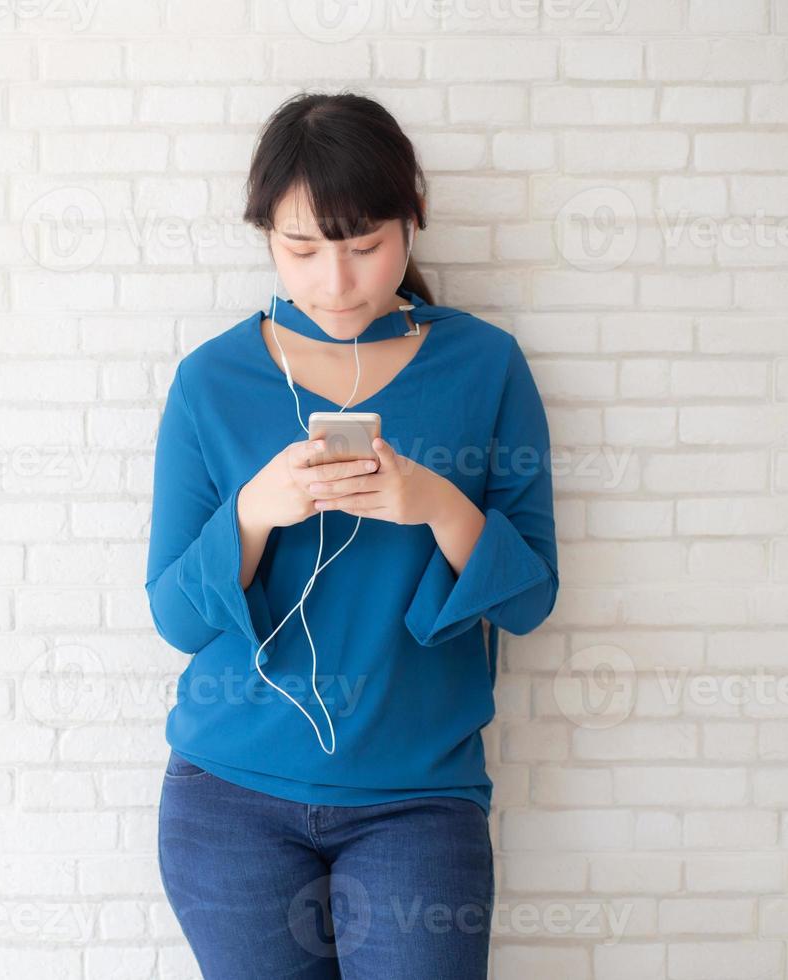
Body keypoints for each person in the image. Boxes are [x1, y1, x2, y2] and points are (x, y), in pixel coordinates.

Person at [146, 91, 560, 978]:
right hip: (229, 800)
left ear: (411, 224)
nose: (336, 282)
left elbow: (529, 599)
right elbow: (177, 620)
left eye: (365, 246)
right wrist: (256, 511)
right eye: (302, 249)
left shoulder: (484, 366)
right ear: (266, 240)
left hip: (416, 800)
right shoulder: (210, 381)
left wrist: (436, 504)